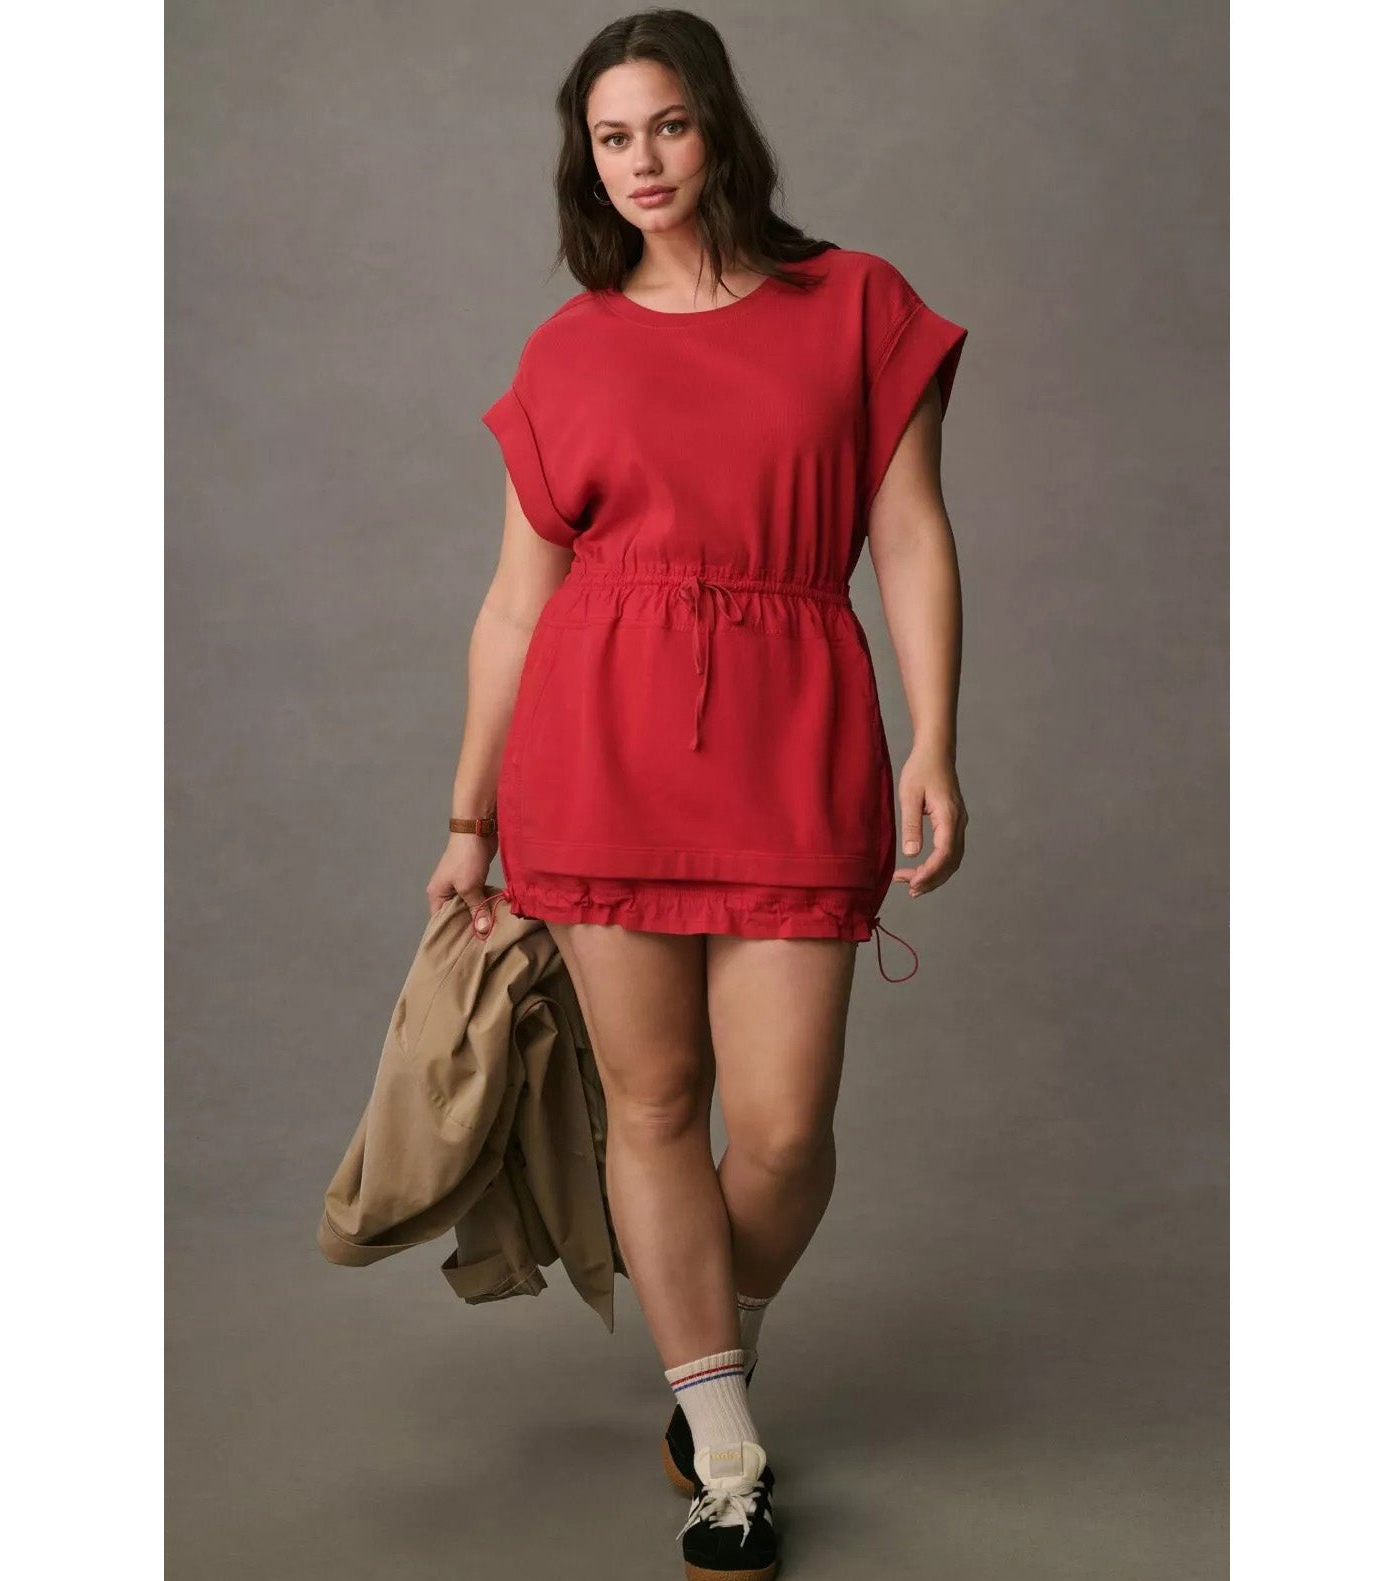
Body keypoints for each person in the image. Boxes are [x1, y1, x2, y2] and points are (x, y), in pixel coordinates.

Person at [427, 11, 969, 1578]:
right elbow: (515, 604)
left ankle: (705, 1339)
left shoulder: (853, 304)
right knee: (656, 1104)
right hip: (595, 748)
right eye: (611, 138)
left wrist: (934, 738)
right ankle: (722, 1450)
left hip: (794, 735)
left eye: (665, 125)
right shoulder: (568, 347)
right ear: (584, 160)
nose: (642, 161)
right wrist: (467, 818)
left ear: (717, 126)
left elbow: (909, 533)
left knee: (784, 1127)